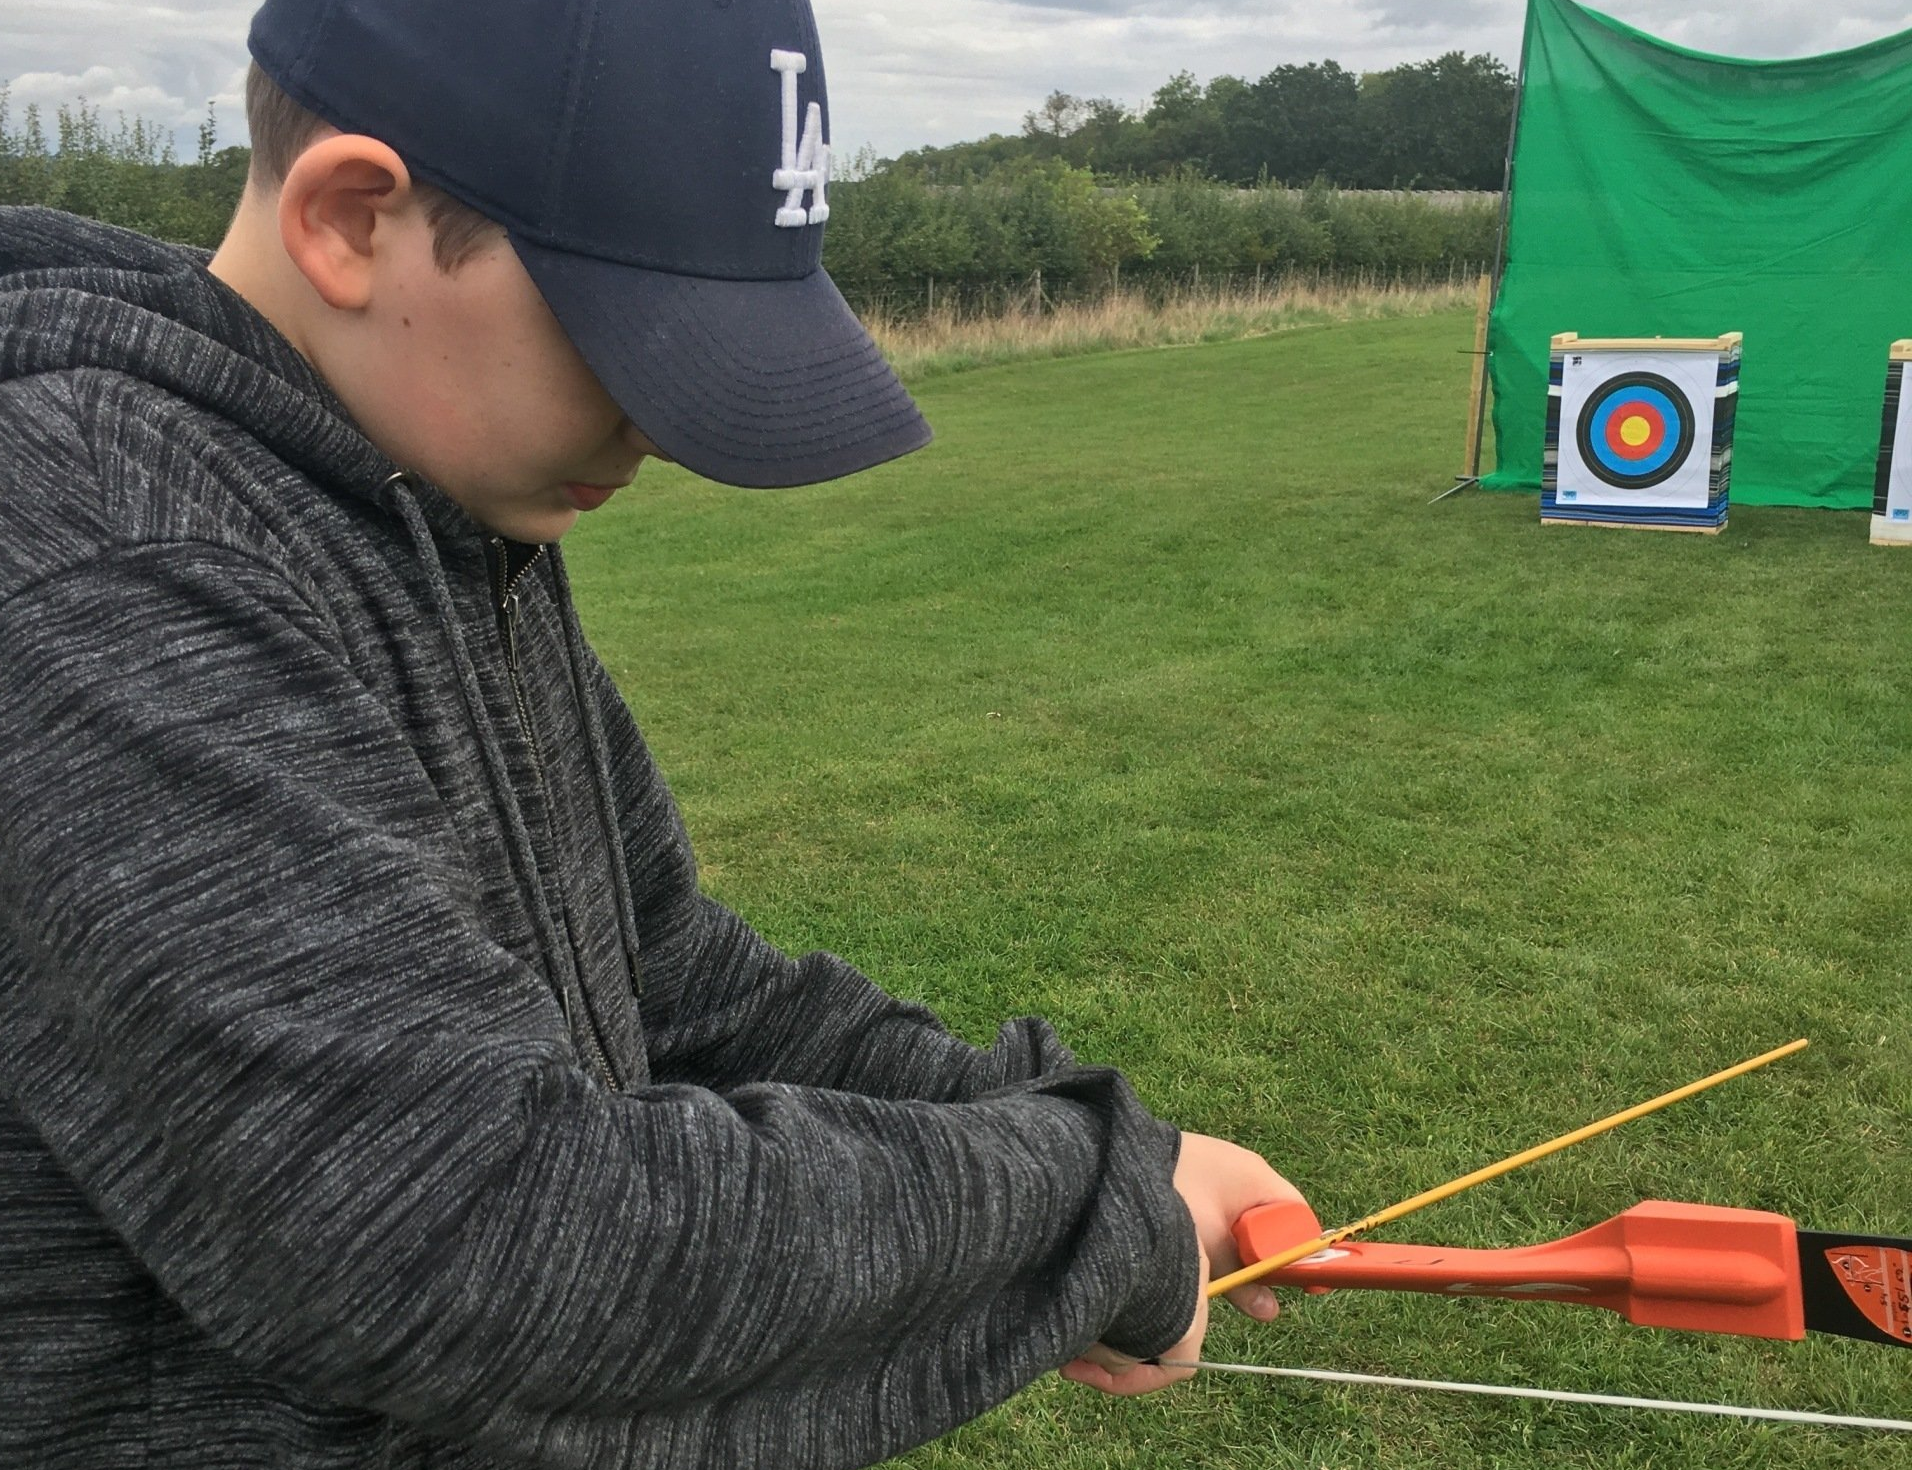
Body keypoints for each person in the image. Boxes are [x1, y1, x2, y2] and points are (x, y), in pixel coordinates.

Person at [0, 2, 1312, 1466]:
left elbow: (663, 976)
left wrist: (1091, 1144)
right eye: (625, 329)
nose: (667, 427)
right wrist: (1077, 1204)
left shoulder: (439, 501)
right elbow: (465, 1234)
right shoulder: (100, 547)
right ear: (352, 220)